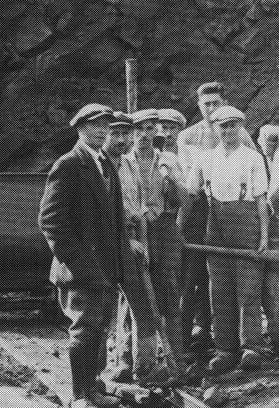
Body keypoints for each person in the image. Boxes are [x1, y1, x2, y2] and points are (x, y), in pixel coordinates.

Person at [39, 103, 142, 408]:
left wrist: (120, 267)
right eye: (96, 125)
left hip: (106, 268)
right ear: (80, 128)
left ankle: (94, 385)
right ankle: (81, 396)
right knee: (84, 331)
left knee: (99, 329)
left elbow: (114, 221)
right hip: (82, 270)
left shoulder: (105, 164)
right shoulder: (69, 165)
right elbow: (51, 222)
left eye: (106, 125)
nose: (103, 131)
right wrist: (81, 265)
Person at [185, 105, 270, 373]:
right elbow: (190, 195)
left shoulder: (253, 158)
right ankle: (225, 349)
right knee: (219, 290)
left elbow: (260, 200)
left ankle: (250, 348)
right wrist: (179, 226)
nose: (228, 130)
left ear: (241, 127)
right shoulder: (205, 159)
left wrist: (264, 236)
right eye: (223, 126)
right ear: (215, 128)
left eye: (233, 125)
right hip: (215, 225)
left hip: (247, 225)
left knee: (248, 290)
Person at [177, 82, 255, 355]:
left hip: (239, 218)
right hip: (202, 214)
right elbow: (190, 186)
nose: (211, 109)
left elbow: (257, 180)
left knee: (238, 282)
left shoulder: (242, 139)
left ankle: (242, 344)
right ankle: (198, 341)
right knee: (201, 280)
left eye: (216, 104)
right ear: (199, 106)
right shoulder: (188, 138)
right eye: (206, 104)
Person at [120, 109, 187, 370]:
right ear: (131, 134)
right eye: (139, 130)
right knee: (133, 295)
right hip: (135, 231)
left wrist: (171, 180)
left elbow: (183, 200)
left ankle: (175, 359)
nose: (144, 135)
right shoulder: (122, 162)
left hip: (163, 230)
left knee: (169, 292)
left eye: (150, 129)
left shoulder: (167, 159)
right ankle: (130, 359)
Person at [102, 112, 160, 384]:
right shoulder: (96, 166)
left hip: (133, 245)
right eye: (116, 133)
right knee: (101, 311)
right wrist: (127, 240)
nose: (122, 140)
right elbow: (104, 215)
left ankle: (142, 366)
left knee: (141, 305)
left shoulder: (129, 166)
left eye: (126, 134)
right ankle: (104, 371)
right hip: (107, 246)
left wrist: (143, 243)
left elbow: (139, 210)